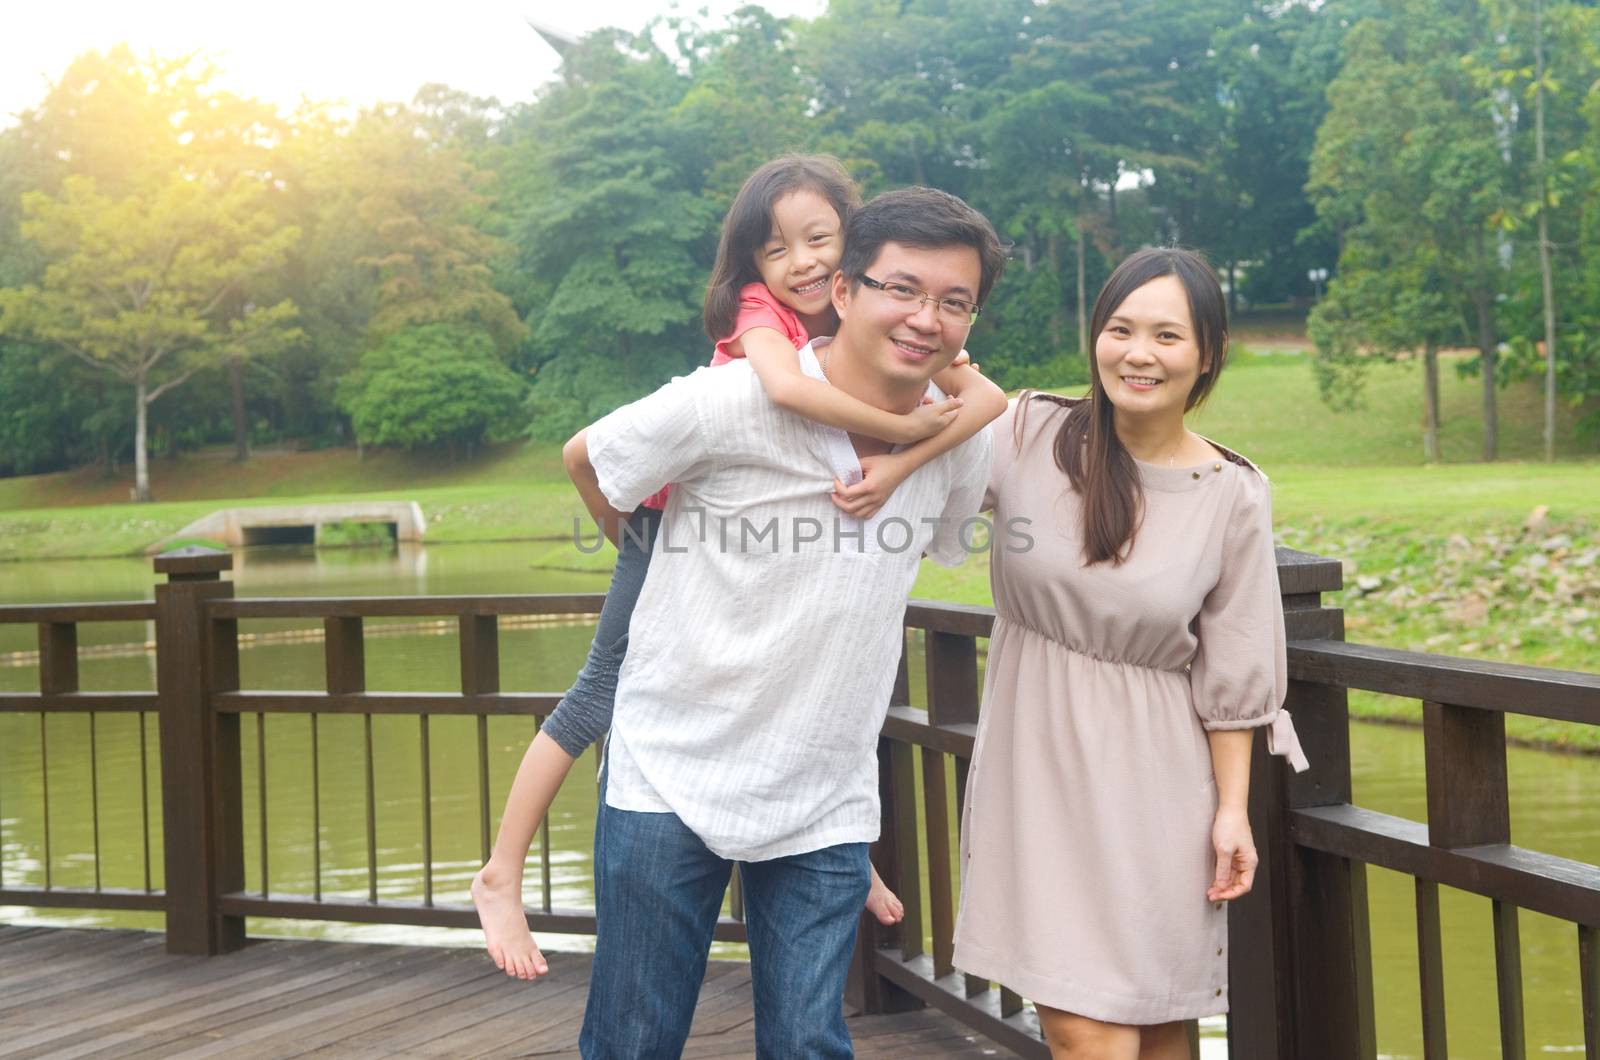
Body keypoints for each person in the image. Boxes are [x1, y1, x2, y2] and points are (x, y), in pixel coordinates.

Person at [470, 155, 1007, 982]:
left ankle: (833, 831)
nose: (802, 260)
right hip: (661, 532)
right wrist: (635, 539)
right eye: (776, 248)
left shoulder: (915, 329)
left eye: (820, 238)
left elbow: (987, 401)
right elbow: (780, 402)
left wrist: (902, 460)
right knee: (595, 695)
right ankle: (502, 872)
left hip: (820, 794)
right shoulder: (762, 330)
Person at [951, 248, 1309, 1060]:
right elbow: (914, 468)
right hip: (1037, 767)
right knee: (1087, 1033)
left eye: (1166, 336)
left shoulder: (1232, 493)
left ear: (1207, 353)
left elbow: (1234, 671)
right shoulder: (1026, 429)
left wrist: (1231, 810)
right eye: (1119, 329)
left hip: (1158, 783)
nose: (1137, 353)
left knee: (1156, 1025)